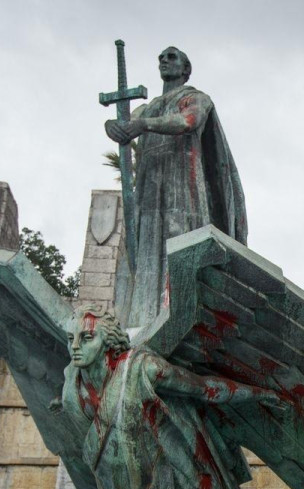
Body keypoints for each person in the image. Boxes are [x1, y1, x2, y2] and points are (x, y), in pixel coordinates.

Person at [60, 304, 284, 489]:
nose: (76, 347)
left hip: (162, 482)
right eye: (71, 339)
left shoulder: (142, 369)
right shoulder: (72, 385)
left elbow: (202, 387)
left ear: (107, 342)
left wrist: (259, 393)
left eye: (87, 337)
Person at [105, 46, 247, 327]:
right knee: (146, 247)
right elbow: (125, 125)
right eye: (160, 58)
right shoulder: (148, 106)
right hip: (149, 188)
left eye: (171, 57)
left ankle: (182, 315)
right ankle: (142, 317)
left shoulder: (195, 97)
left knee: (180, 245)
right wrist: (113, 126)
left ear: (185, 68)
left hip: (184, 189)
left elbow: (188, 121)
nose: (164, 61)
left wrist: (141, 125)